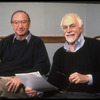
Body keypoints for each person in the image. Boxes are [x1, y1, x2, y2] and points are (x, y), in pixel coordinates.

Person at [42, 13, 100, 99]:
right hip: (62, 95)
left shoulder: (96, 46)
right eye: (65, 27)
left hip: (89, 94)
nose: (68, 30)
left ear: (81, 28)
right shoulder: (59, 53)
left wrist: (87, 78)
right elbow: (52, 82)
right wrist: (38, 91)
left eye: (72, 26)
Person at [0, 10, 50, 99]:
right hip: (3, 79)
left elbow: (44, 66)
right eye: (16, 22)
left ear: (29, 24)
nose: (20, 26)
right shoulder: (5, 41)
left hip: (23, 83)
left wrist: (22, 78)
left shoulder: (37, 42)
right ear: (12, 25)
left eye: (23, 22)